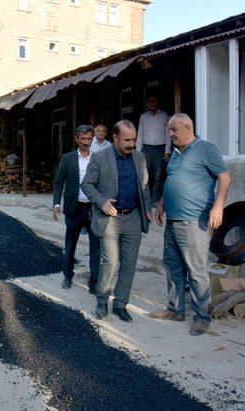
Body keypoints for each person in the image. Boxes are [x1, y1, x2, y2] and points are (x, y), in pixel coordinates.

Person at [150, 113, 231, 336]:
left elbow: (224, 177)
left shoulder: (206, 149)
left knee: (197, 271)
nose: (171, 134)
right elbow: (171, 181)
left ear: (188, 127)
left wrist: (218, 206)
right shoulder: (175, 154)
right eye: (169, 130)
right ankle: (175, 310)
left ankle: (202, 317)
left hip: (195, 221)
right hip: (173, 220)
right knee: (173, 266)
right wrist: (161, 205)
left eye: (174, 130)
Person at [81, 120, 152, 322]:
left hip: (133, 218)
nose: (132, 144)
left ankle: (121, 303)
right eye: (127, 140)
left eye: (134, 140)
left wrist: (147, 208)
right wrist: (101, 201)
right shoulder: (100, 157)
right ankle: (102, 300)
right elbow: (87, 185)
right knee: (110, 262)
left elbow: (144, 186)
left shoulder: (139, 157)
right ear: (115, 138)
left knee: (129, 263)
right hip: (110, 218)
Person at [53, 125, 100, 294]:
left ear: (92, 139)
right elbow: (59, 182)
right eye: (83, 139)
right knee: (70, 244)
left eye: (89, 139)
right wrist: (57, 204)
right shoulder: (68, 159)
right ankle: (67, 275)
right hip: (74, 208)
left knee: (96, 246)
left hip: (93, 209)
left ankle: (94, 282)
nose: (86, 142)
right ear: (77, 139)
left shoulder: (99, 158)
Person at [136, 96, 171, 204]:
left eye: (154, 101)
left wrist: (167, 150)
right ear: (147, 104)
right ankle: (145, 199)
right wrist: (138, 150)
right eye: (150, 102)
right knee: (145, 174)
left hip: (160, 148)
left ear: (158, 103)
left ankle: (155, 200)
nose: (152, 103)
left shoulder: (165, 116)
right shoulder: (143, 117)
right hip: (146, 148)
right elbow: (140, 133)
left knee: (159, 175)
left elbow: (168, 134)